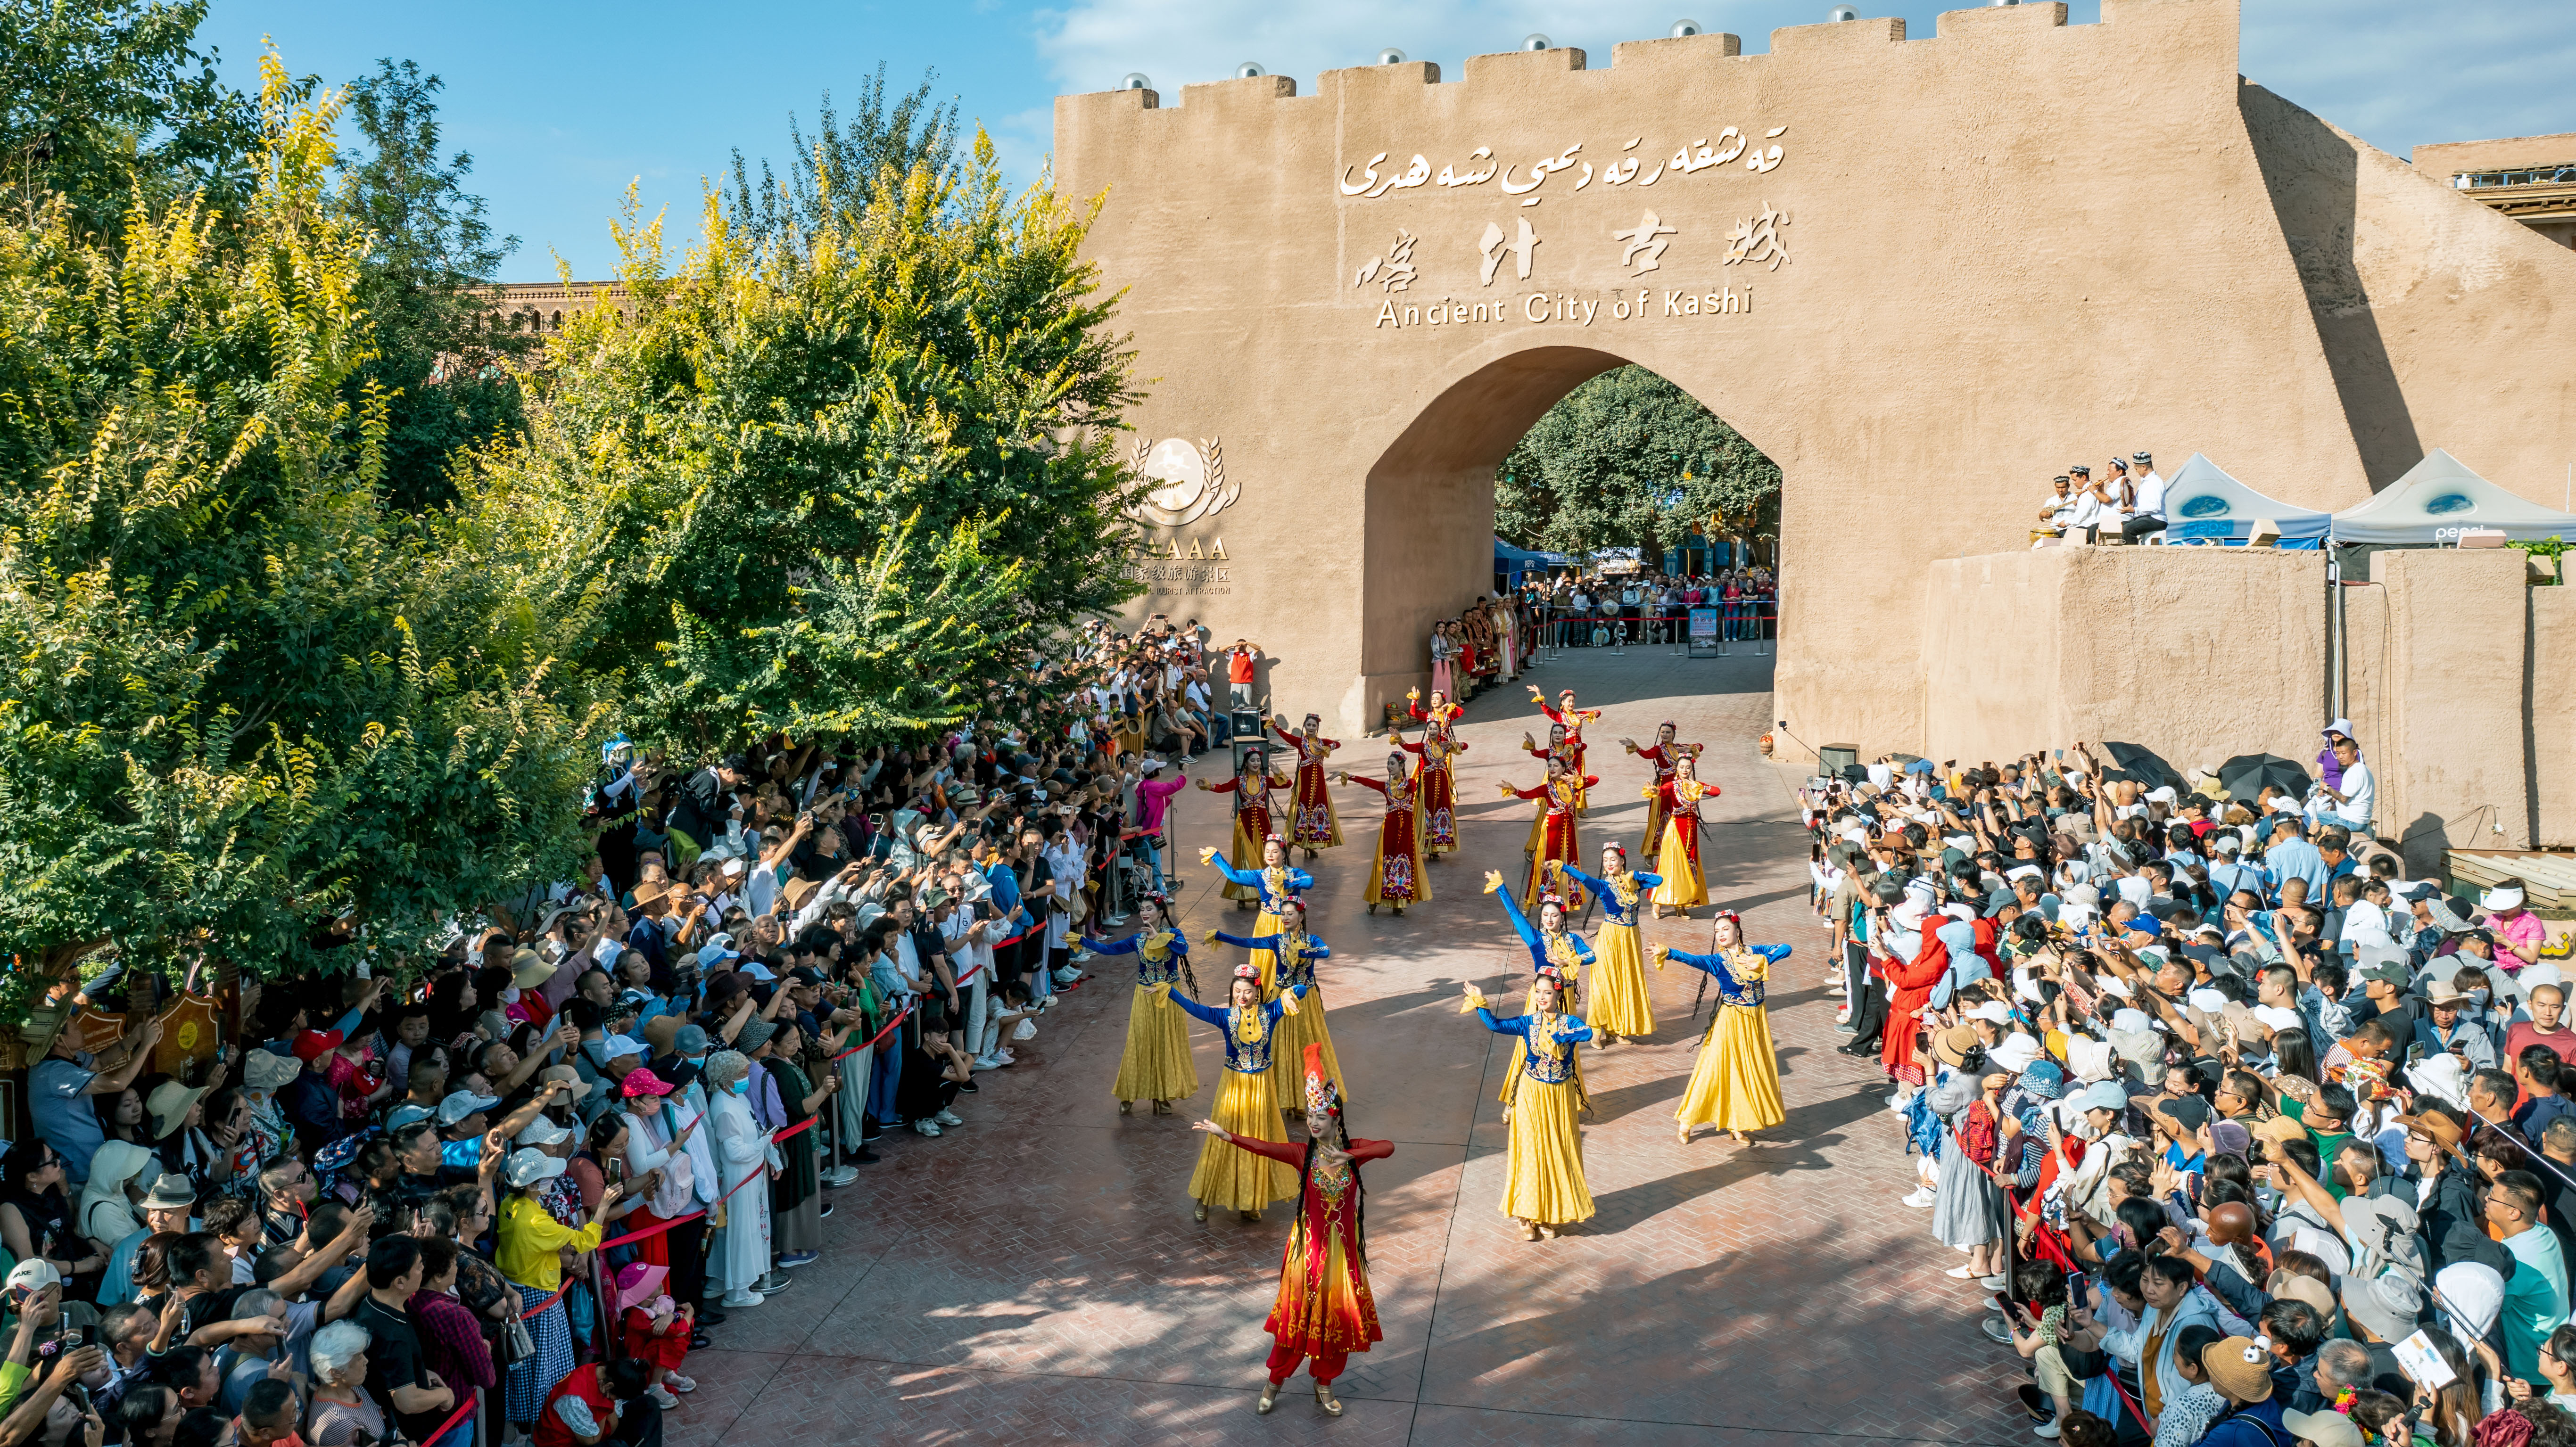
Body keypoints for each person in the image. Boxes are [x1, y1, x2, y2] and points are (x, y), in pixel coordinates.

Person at [1189, 1046, 1388, 1419]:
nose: (1312, 1124)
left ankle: (1324, 1384)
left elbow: (1389, 1147)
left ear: (1335, 1120)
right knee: (1298, 1320)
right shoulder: (1303, 1154)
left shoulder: (1354, 1149)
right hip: (1308, 1254)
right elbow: (1263, 1148)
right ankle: (1274, 1381)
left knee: (1338, 1321)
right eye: (1310, 1117)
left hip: (1343, 1258)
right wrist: (1224, 1134)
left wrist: (1351, 1156)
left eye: (1320, 1118)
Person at [1458, 968, 1593, 1241]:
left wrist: (1562, 1036)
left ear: (1558, 993)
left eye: (1547, 992)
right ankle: (1525, 1213)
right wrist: (1481, 1003)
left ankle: (1546, 1215)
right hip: (1532, 1094)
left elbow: (1587, 1033)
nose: (1542, 997)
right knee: (1531, 1152)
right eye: (1538, 992)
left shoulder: (1569, 1022)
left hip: (1560, 1097)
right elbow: (1496, 1026)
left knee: (1558, 1151)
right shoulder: (1527, 1023)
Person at [1168, 966, 1310, 1223]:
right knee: (1221, 1136)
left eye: (1247, 991)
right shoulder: (1225, 1017)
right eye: (1237, 991)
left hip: (1262, 1087)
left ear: (1258, 992)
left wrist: (1291, 993)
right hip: (1233, 1086)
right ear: (1231, 992)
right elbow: (1194, 1009)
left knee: (1257, 1138)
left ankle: (1250, 1201)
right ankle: (1205, 1197)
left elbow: (1303, 989)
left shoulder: (1272, 1011)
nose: (1242, 996)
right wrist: (1170, 991)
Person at [1656, 913, 1792, 1145]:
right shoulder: (1718, 961)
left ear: (1737, 931)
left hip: (1755, 1021)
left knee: (1747, 1072)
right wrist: (1669, 952)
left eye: (1725, 929)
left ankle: (1737, 1123)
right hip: (1731, 1020)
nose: (1720, 934)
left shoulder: (1754, 952)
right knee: (1713, 1068)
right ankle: (1687, 1119)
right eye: (1717, 930)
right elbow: (1692, 960)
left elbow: (1786, 947)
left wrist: (1764, 959)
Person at [1205, 902, 1343, 1116]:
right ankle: (1282, 1096)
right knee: (1279, 1045)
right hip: (1281, 999)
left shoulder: (1312, 940)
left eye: (1290, 914)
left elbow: (1325, 952)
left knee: (1305, 1043)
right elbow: (1249, 941)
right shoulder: (1277, 940)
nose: (1285, 918)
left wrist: (1305, 951)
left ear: (1301, 916)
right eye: (1283, 914)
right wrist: (1222, 936)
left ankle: (1303, 1098)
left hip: (1305, 1001)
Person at [1092, 893, 1199, 1117]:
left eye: (1149, 909)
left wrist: (1159, 937)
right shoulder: (1137, 940)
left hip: (1169, 995)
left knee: (1165, 1042)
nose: (1144, 913)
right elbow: (1109, 950)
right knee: (1139, 1042)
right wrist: (1081, 941)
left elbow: (1183, 950)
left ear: (1160, 914)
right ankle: (1129, 1094)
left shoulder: (1174, 934)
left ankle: (1162, 1095)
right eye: (1142, 909)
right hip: (1144, 995)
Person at [1554, 847, 1660, 1045]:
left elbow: (1659, 880)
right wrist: (1566, 868)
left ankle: (1615, 1029)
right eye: (1605, 860)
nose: (1609, 863)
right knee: (1604, 984)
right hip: (1611, 938)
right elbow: (1585, 879)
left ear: (1622, 861)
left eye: (1613, 859)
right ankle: (1596, 1030)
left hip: (1631, 939)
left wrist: (1633, 875)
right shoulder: (1603, 886)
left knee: (1624, 982)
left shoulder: (1634, 883)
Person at [702, 1051, 778, 1308]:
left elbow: (756, 1127)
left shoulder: (737, 1097)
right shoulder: (723, 1108)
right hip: (740, 1178)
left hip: (751, 1175)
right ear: (725, 1080)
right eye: (742, 1074)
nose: (747, 1078)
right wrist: (765, 1143)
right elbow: (736, 1153)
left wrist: (771, 1154)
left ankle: (722, 1281)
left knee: (741, 1229)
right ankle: (738, 1292)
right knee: (741, 1232)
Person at [1198, 838, 1312, 986]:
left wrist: (1285, 883)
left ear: (1284, 855)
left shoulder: (1295, 873)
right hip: (1266, 923)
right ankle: (1265, 994)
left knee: (1288, 960)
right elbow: (1235, 876)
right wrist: (1216, 856)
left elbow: (1309, 882)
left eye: (1275, 851)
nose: (1270, 854)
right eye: (1267, 852)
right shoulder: (1260, 876)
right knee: (1264, 955)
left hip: (1289, 924)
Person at [1196, 749, 1293, 912]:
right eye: (1253, 761)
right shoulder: (1239, 781)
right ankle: (1242, 894)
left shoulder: (1266, 780)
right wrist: (1209, 786)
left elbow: (1288, 784)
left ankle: (1261, 892)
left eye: (1258, 761)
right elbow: (1223, 788)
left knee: (1265, 854)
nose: (1256, 764)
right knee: (1245, 856)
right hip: (1245, 823)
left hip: (1262, 822)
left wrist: (1279, 773)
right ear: (1246, 764)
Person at [1334, 753, 1430, 916]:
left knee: (1403, 864)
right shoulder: (1386, 787)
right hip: (1390, 830)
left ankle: (1397, 905)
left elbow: (1412, 788)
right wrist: (1347, 775)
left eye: (1392, 764)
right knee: (1385, 864)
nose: (1389, 767)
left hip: (1407, 831)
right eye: (1388, 764)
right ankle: (1374, 901)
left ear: (1401, 766)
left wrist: (1401, 784)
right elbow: (1368, 782)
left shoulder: (1411, 783)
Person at [1499, 758, 1594, 912]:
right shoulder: (1547, 789)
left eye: (1556, 765)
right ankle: (1529, 902)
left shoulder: (1572, 786)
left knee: (1568, 865)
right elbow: (1526, 795)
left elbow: (1595, 780)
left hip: (1568, 835)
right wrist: (1514, 790)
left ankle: (1565, 901)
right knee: (1546, 865)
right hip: (1551, 833)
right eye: (1550, 765)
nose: (1552, 768)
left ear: (1564, 769)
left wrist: (1578, 779)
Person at [1643, 752, 1717, 918]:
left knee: (1689, 867)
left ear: (1692, 768)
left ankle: (1681, 904)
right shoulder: (1673, 785)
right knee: (1668, 866)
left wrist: (1699, 787)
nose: (1685, 770)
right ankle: (1657, 902)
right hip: (1676, 830)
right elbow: (1661, 791)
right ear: (1677, 768)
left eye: (1688, 767)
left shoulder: (1696, 785)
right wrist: (1654, 789)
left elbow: (1716, 791)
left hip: (1691, 832)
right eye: (1682, 767)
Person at [1395, 700, 1467, 860]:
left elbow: (1466, 745)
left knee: (1441, 812)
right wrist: (1400, 740)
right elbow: (1409, 748)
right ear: (1427, 731)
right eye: (1430, 729)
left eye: (1435, 729)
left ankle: (1436, 849)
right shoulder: (1423, 747)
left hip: (1442, 785)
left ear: (1439, 730)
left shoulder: (1444, 746)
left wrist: (1454, 745)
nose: (1433, 731)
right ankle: (1422, 845)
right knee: (1425, 813)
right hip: (1427, 785)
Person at [1267, 713, 1343, 861]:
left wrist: (1326, 748)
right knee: (1299, 811)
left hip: (1319, 785)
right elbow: (1285, 736)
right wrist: (1274, 724)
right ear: (1305, 726)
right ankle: (1289, 844)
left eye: (1314, 726)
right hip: (1304, 784)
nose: (1311, 728)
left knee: (1316, 810)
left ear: (1318, 728)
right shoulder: (1301, 742)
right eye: (1309, 725)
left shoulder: (1322, 743)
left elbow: (1338, 744)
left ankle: (1311, 845)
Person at [1622, 724, 1703, 857]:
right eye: (1662, 732)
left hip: (1681, 788)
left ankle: (1679, 850)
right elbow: (1647, 755)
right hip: (1664, 789)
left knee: (1680, 817)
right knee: (1660, 819)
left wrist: (1691, 748)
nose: (1664, 735)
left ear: (1673, 734)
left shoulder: (1679, 747)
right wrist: (1635, 747)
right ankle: (1651, 853)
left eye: (1667, 732)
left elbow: (1701, 746)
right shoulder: (1659, 749)